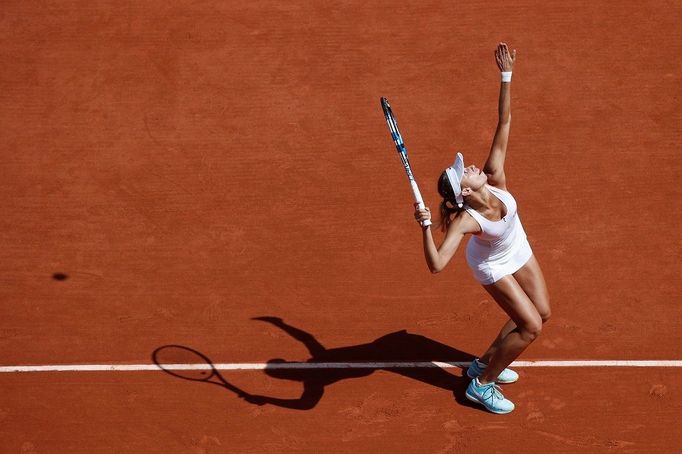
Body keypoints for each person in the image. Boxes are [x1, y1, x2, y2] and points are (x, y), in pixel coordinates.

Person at [414, 43, 551, 414]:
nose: (471, 165)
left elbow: (503, 121)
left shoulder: (494, 175)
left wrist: (506, 76)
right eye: (465, 172)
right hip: (492, 264)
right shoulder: (466, 221)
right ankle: (482, 383)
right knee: (531, 327)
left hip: (515, 244)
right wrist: (426, 227)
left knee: (542, 311)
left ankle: (482, 362)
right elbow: (437, 265)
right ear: (464, 192)